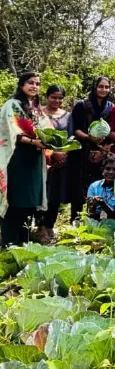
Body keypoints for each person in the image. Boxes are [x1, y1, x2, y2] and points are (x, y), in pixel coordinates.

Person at [0, 72, 49, 246]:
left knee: (29, 202)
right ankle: (8, 243)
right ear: (21, 85)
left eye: (37, 83)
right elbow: (12, 132)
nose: (34, 86)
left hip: (34, 160)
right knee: (15, 201)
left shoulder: (36, 108)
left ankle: (24, 242)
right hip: (17, 159)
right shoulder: (12, 105)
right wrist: (34, 141)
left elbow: (47, 130)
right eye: (30, 82)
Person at [69, 76, 114, 221]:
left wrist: (103, 151)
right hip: (81, 152)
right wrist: (90, 138)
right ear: (95, 87)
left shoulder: (111, 107)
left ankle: (95, 221)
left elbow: (111, 133)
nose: (104, 90)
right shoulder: (82, 105)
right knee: (79, 188)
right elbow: (75, 129)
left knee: (99, 187)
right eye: (101, 86)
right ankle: (75, 221)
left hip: (102, 154)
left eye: (107, 87)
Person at [35, 85, 71, 244]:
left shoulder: (67, 116)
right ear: (47, 96)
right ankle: (40, 226)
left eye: (60, 98)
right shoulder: (38, 113)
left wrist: (63, 154)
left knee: (55, 194)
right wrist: (51, 153)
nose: (57, 100)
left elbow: (70, 137)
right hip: (39, 159)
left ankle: (50, 225)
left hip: (60, 162)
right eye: (53, 97)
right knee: (40, 193)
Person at [86, 155, 115, 222]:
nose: (111, 172)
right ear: (103, 170)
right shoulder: (94, 186)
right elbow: (89, 214)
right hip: (96, 224)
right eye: (107, 168)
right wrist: (92, 205)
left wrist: (103, 204)